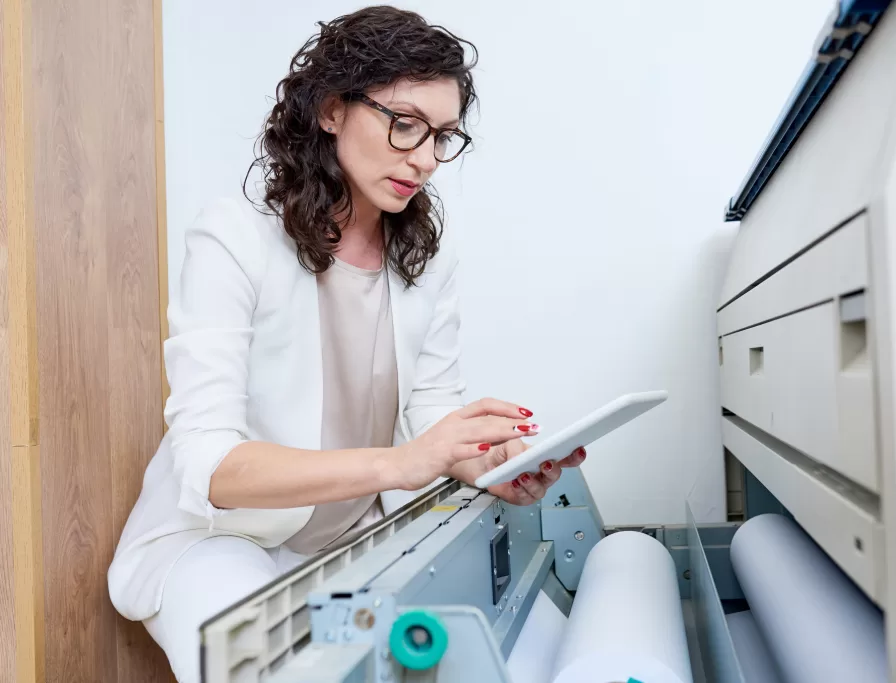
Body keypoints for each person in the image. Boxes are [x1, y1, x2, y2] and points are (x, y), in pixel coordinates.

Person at [107, 6, 585, 681]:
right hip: (221, 540)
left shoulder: (428, 258)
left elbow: (430, 415)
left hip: (356, 539)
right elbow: (212, 467)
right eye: (405, 123)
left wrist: (495, 463)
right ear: (332, 109)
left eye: (443, 136)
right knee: (268, 666)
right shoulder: (234, 239)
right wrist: (401, 463)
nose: (425, 158)